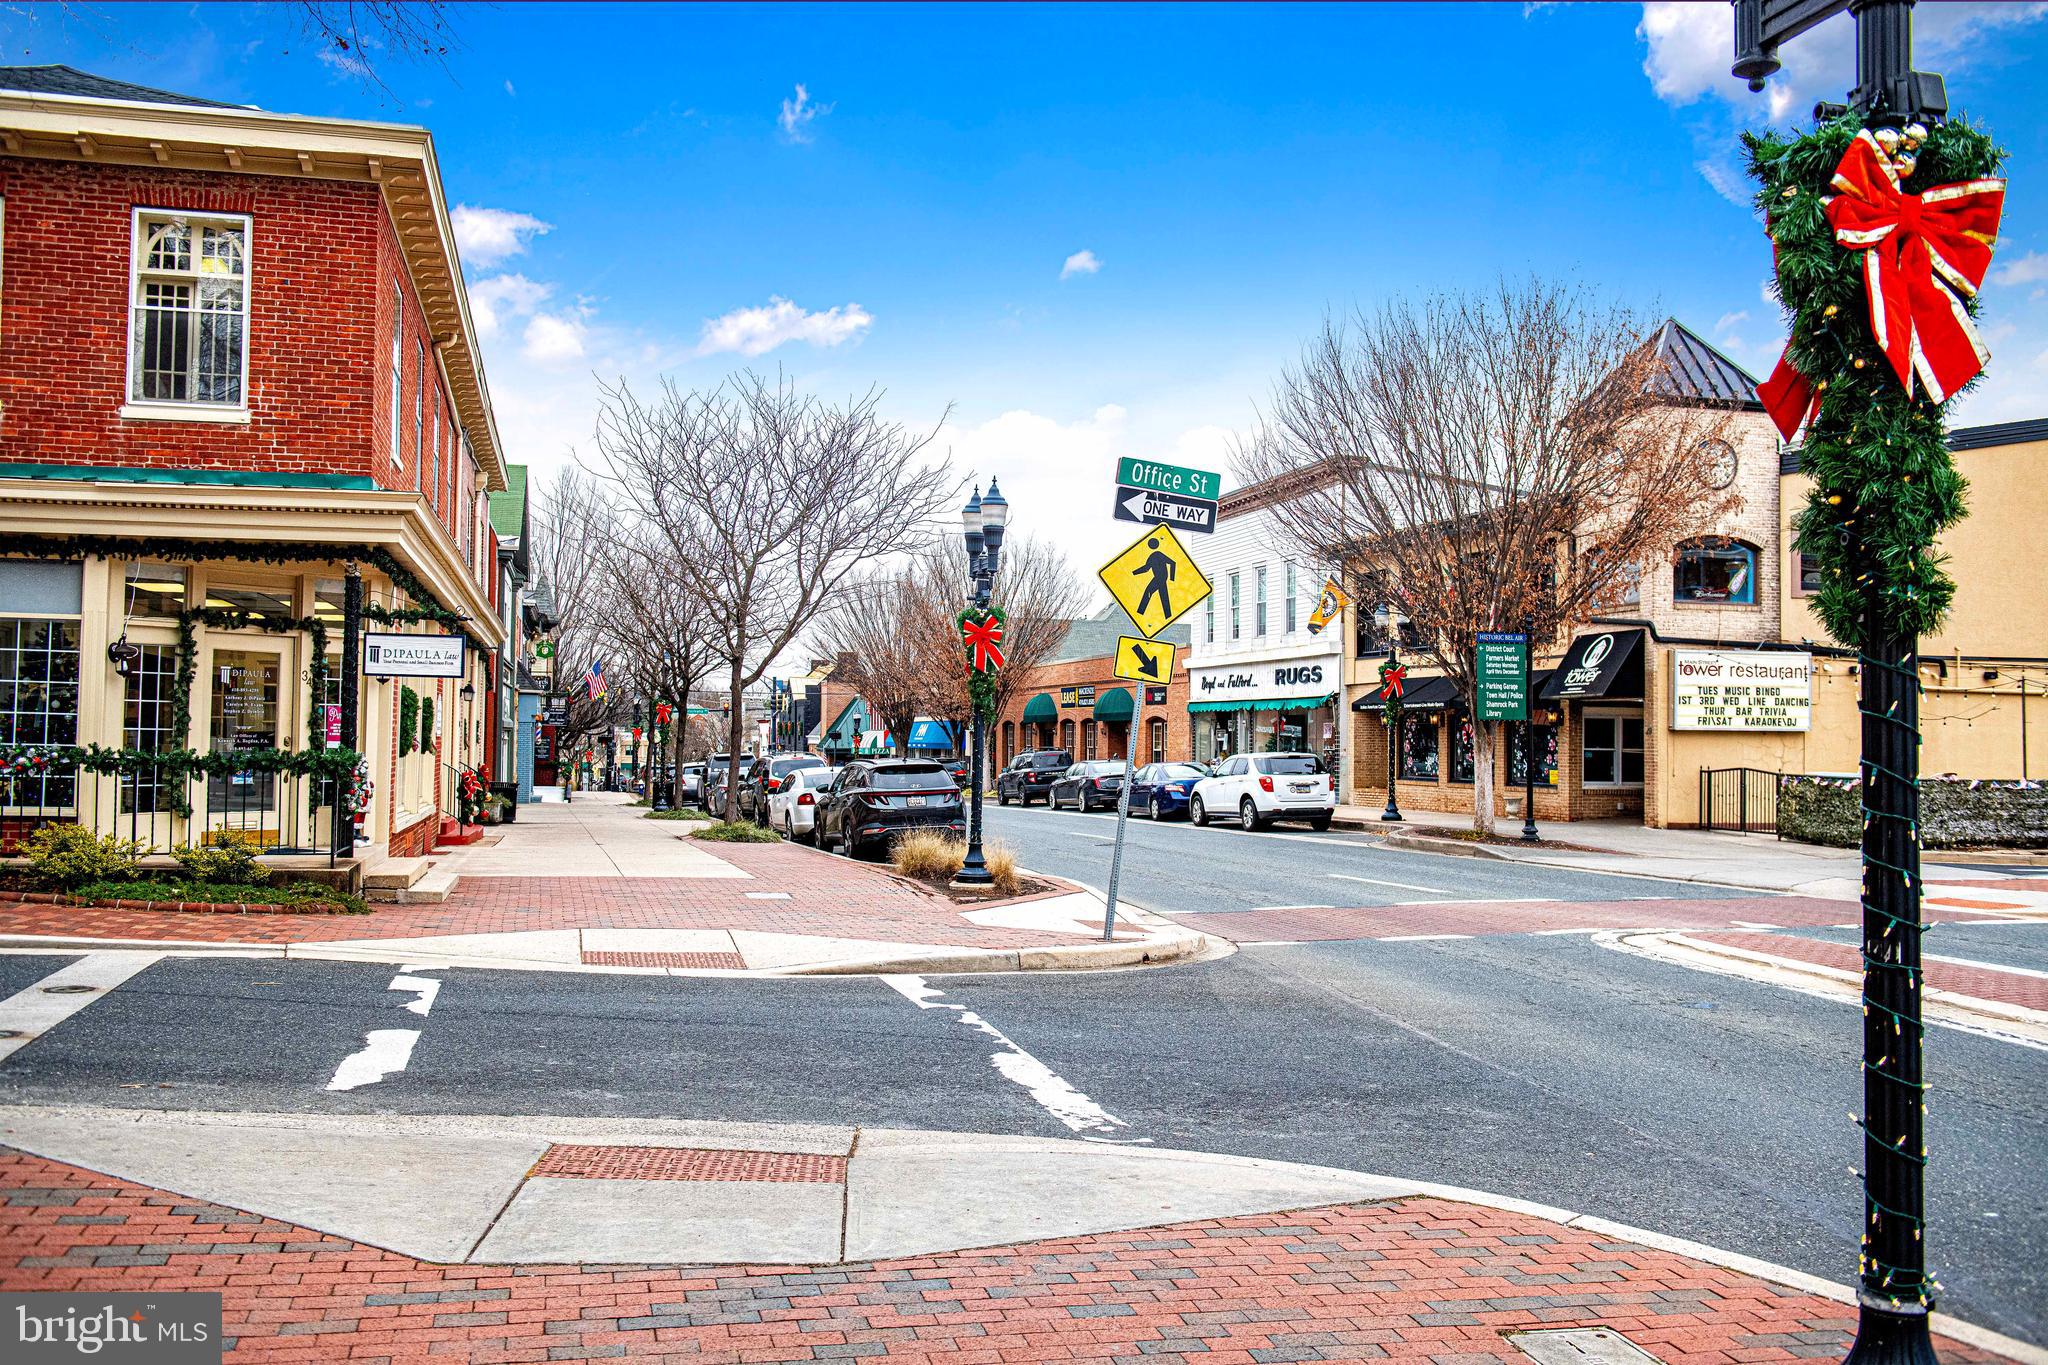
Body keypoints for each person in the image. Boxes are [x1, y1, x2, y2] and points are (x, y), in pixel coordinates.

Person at [1134, 537, 1176, 617]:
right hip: (1160, 578)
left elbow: (1173, 563)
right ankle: (1168, 615)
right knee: (1163, 597)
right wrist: (1134, 573)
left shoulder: (1157, 554)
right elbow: (1146, 569)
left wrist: (1172, 578)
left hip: (1160, 578)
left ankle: (1140, 612)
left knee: (1150, 593)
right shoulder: (1153, 556)